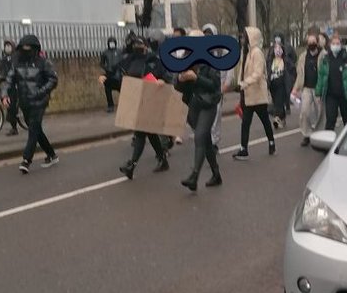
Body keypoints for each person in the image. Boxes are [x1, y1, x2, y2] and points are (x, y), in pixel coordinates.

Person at [2, 34, 58, 173]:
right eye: (24, 48)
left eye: (29, 48)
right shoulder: (17, 63)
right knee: (36, 130)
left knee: (33, 129)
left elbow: (53, 79)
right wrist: (4, 95)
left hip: (39, 102)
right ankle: (51, 154)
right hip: (25, 101)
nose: (26, 51)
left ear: (35, 49)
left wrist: (41, 92)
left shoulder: (43, 62)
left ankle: (26, 160)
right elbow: (9, 80)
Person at [117, 33, 170, 180]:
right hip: (137, 100)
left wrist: (161, 81)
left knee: (140, 132)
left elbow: (166, 77)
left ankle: (131, 165)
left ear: (146, 47)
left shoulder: (154, 61)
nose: (137, 48)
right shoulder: (131, 61)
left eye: (140, 45)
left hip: (152, 100)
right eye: (135, 46)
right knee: (150, 133)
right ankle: (163, 159)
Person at [176, 32, 223, 192]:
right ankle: (216, 174)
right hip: (193, 104)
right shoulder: (186, 59)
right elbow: (178, 86)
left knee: (200, 136)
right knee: (205, 140)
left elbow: (214, 85)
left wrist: (196, 78)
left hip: (208, 103)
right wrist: (180, 79)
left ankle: (194, 176)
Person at [233, 27, 275, 160]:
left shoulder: (257, 53)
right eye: (241, 38)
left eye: (244, 37)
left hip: (257, 95)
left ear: (251, 38)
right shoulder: (245, 52)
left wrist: (244, 83)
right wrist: (239, 83)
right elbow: (242, 71)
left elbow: (258, 73)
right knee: (245, 123)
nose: (242, 40)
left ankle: (271, 142)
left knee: (265, 121)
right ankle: (243, 149)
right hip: (247, 95)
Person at [315, 34, 347, 131]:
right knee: (330, 120)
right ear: (330, 45)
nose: (335, 46)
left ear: (341, 45)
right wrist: (318, 92)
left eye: (337, 43)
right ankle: (327, 143)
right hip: (331, 95)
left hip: (345, 95)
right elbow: (321, 77)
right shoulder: (326, 59)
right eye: (333, 43)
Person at [293, 31, 325, 147]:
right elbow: (299, 74)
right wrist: (296, 88)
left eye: (313, 41)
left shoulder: (323, 55)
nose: (311, 43)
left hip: (319, 88)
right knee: (304, 112)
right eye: (309, 41)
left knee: (320, 112)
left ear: (317, 42)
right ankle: (306, 134)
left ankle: (319, 134)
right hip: (306, 88)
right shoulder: (303, 56)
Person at [98, 35, 123, 113]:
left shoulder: (119, 51)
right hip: (109, 74)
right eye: (110, 43)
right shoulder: (105, 52)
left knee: (122, 90)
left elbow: (123, 61)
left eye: (113, 43)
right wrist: (107, 68)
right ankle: (110, 105)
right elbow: (101, 63)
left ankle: (124, 105)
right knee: (108, 89)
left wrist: (120, 68)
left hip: (118, 74)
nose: (112, 44)